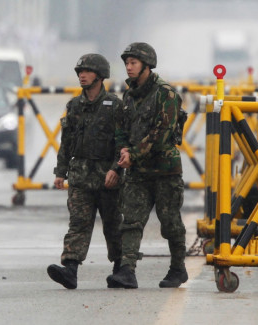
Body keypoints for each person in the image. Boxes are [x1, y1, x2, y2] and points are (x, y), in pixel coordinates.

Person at [106, 42, 188, 289]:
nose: (128, 68)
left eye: (133, 63)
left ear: (147, 66)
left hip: (165, 170)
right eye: (127, 64)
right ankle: (127, 271)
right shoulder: (129, 96)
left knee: (170, 222)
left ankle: (178, 268)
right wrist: (123, 149)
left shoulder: (167, 94)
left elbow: (162, 134)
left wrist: (134, 153)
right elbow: (121, 128)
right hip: (139, 172)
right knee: (131, 221)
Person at [47, 53, 125, 289]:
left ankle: (121, 269)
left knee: (113, 225)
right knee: (78, 223)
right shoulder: (74, 106)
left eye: (87, 71)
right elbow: (66, 141)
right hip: (80, 175)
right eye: (80, 72)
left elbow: (122, 143)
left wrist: (116, 170)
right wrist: (60, 172)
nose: (82, 75)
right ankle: (70, 269)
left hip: (107, 177)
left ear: (100, 76)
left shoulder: (114, 106)